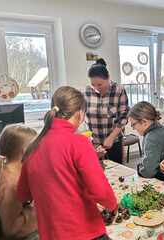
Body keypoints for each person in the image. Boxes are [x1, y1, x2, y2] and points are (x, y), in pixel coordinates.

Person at [17, 86, 117, 240]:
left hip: (50, 233)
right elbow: (101, 192)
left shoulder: (34, 145)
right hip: (82, 231)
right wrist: (113, 205)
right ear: (80, 113)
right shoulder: (79, 142)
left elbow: (23, 193)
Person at [0, 124, 38, 240]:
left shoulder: (7, 170)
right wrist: (38, 208)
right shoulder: (13, 183)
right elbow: (12, 229)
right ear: (26, 151)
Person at [85, 58, 129, 163]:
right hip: (93, 143)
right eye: (93, 84)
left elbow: (123, 117)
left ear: (108, 77)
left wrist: (111, 137)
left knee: (116, 172)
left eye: (100, 84)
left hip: (114, 142)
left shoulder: (119, 90)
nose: (96, 88)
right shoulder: (87, 91)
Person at [128, 101, 164, 182]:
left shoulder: (151, 138)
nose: (133, 129)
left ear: (144, 122)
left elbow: (148, 172)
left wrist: (139, 168)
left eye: (133, 125)